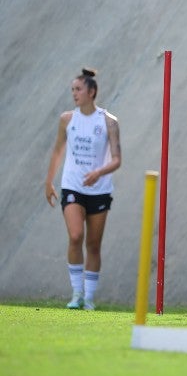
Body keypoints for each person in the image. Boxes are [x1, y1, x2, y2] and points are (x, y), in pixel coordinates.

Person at [45, 68, 122, 311]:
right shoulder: (67, 119)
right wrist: (49, 182)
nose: (74, 94)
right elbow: (58, 150)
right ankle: (77, 293)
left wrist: (98, 172)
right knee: (76, 236)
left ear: (92, 92)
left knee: (94, 244)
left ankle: (89, 297)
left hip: (99, 189)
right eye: (73, 90)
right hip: (73, 186)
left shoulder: (109, 122)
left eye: (78, 89)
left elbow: (117, 159)